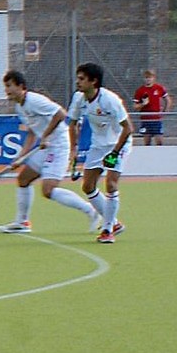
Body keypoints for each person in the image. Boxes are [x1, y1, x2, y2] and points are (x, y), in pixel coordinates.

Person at [0, 70, 99, 234]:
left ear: (21, 86)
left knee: (48, 190)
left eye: (9, 86)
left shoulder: (34, 100)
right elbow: (31, 131)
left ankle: (91, 211)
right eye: (5, 86)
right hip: (46, 146)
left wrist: (45, 135)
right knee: (23, 179)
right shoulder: (19, 107)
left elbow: (61, 114)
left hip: (58, 145)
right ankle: (22, 223)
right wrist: (21, 156)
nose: (6, 90)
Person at [68, 62, 134, 244]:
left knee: (111, 184)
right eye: (78, 78)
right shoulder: (79, 98)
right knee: (87, 186)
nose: (78, 82)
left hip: (118, 143)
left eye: (82, 79)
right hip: (98, 145)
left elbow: (128, 128)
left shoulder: (110, 100)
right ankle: (115, 223)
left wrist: (114, 153)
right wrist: (73, 149)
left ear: (94, 81)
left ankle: (107, 230)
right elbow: (72, 123)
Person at [133, 69, 171, 147]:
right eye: (146, 77)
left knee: (159, 141)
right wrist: (143, 104)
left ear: (154, 78)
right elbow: (135, 106)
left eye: (150, 77)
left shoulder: (159, 88)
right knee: (147, 142)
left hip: (156, 119)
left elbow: (168, 100)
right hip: (146, 119)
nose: (148, 79)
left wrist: (165, 111)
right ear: (144, 79)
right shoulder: (140, 90)